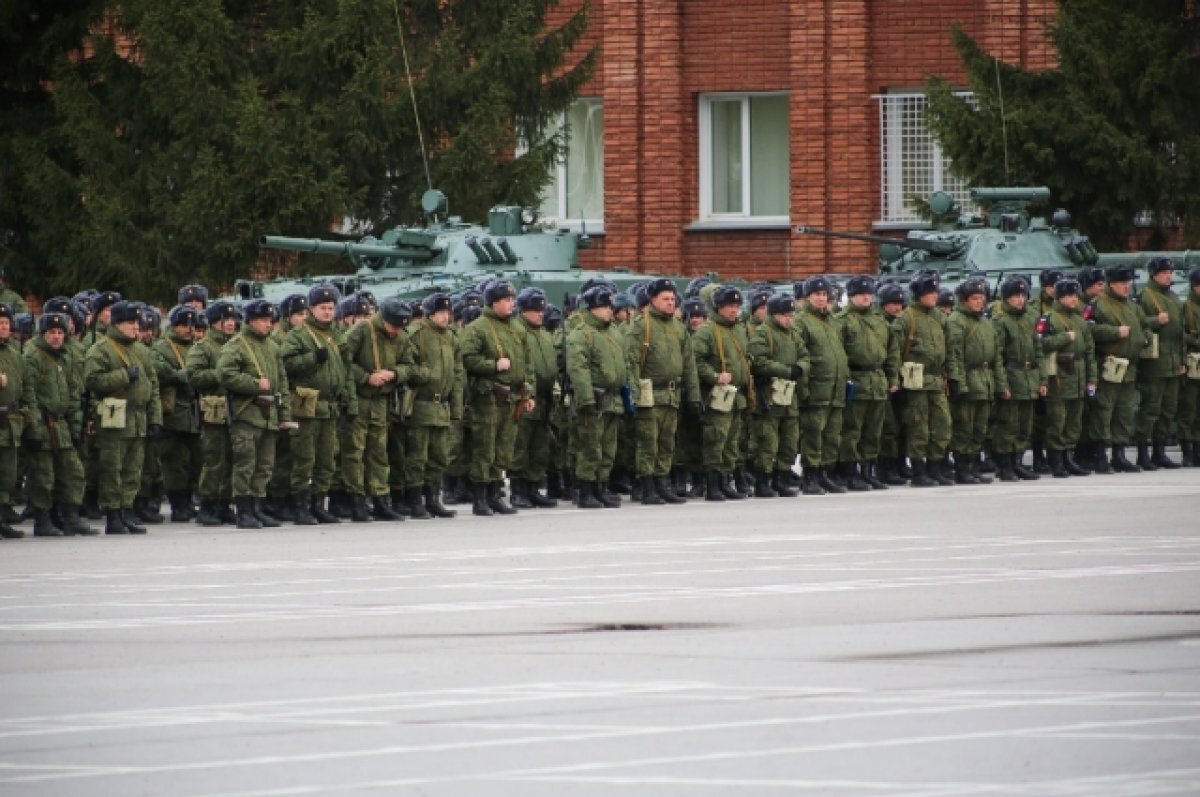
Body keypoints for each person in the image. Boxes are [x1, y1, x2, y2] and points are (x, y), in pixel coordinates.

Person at [83, 300, 162, 534]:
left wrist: (155, 418)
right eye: (131, 323)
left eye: (137, 323)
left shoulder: (142, 352)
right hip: (114, 418)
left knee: (133, 469)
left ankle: (127, 510)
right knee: (112, 468)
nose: (136, 328)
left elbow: (153, 387)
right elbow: (93, 381)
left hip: (138, 418)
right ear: (117, 324)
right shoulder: (101, 349)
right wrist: (123, 376)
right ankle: (113, 514)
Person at [281, 283, 356, 524]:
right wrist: (312, 358)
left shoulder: (336, 334)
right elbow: (286, 365)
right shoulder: (299, 335)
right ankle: (301, 507)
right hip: (307, 404)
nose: (327, 311)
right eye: (322, 307)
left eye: (331, 307)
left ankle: (318, 504)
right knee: (305, 457)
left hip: (330, 405)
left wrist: (349, 400)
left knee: (327, 458)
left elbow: (346, 370)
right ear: (312, 309)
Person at [458, 279, 533, 516]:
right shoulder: (478, 328)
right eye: (506, 300)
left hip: (511, 398)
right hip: (488, 398)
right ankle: (480, 497)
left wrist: (527, 392)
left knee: (503, 449)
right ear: (493, 302)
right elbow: (466, 359)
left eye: (512, 299)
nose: (512, 304)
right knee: (485, 448)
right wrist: (493, 365)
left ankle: (495, 493)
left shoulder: (516, 328)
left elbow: (526, 363)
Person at [218, 299, 291, 529]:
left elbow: (282, 384)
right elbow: (225, 374)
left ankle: (258, 507)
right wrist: (253, 384)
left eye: (270, 320)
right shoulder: (237, 345)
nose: (268, 325)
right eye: (263, 320)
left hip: (268, 413)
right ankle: (244, 511)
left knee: (265, 465)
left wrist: (285, 414)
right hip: (247, 413)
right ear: (250, 321)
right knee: (245, 463)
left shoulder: (273, 348)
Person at [22, 312, 97, 536]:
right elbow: (30, 395)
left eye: (60, 332)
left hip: (61, 424)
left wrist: (75, 427)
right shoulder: (33, 356)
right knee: (43, 475)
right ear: (43, 334)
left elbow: (73, 394)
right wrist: (33, 428)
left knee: (72, 471)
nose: (56, 337)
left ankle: (70, 516)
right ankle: (43, 519)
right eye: (51, 333)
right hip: (43, 424)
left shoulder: (65, 358)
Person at [340, 296, 412, 521]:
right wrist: (366, 377)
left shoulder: (399, 336)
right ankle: (357, 500)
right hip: (360, 399)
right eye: (394, 325)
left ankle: (380, 498)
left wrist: (395, 374)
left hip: (382, 401)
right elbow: (341, 360)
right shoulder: (362, 330)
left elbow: (409, 364)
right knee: (355, 452)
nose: (396, 331)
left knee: (379, 453)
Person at [566, 286, 630, 508]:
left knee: (608, 448)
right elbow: (578, 369)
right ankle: (586, 490)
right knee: (590, 447)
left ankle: (601, 487)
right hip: (595, 398)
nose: (609, 311)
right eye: (603, 306)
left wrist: (629, 394)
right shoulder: (581, 334)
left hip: (613, 398)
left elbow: (625, 364)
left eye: (610, 306)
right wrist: (586, 400)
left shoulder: (614, 332)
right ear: (591, 308)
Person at [888, 273, 953, 487]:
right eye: (929, 293)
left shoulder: (939, 317)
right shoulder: (907, 318)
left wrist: (951, 375)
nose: (934, 296)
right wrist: (894, 378)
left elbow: (950, 347)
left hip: (936, 378)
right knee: (919, 426)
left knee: (942, 424)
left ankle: (935, 468)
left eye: (935, 292)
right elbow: (894, 352)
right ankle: (918, 470)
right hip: (915, 379)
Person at [1086, 265, 1151, 473]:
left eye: (1128, 283)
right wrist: (1114, 332)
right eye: (1122, 284)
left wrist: (1145, 338)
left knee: (1124, 412)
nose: (1126, 287)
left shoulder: (1133, 307)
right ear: (1111, 284)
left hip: (1129, 367)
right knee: (1104, 411)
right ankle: (1100, 455)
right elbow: (1088, 329)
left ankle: (1119, 454)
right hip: (1109, 365)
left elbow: (1144, 325)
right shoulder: (1097, 305)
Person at [403, 293, 462, 519]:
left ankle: (432, 498)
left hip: (442, 407)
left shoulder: (451, 338)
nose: (445, 317)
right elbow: (407, 365)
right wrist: (423, 375)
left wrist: (455, 409)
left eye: (447, 313)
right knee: (418, 457)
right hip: (421, 405)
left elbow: (457, 375)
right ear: (430, 314)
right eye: (440, 313)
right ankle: (415, 501)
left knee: (439, 457)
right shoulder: (416, 335)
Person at [692, 285, 754, 501]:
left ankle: (726, 481)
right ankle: (713, 485)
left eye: (736, 306)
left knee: (731, 442)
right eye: (729, 306)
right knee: (716, 440)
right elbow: (695, 361)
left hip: (736, 395)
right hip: (717, 395)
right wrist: (714, 376)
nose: (733, 310)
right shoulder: (707, 331)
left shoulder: (738, 329)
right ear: (718, 307)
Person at [795, 276, 851, 495]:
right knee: (813, 433)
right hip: (816, 388)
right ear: (808, 297)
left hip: (835, 389)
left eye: (824, 294)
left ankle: (825, 473)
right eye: (817, 295)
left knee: (831, 434)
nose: (821, 299)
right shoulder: (802, 321)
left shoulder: (833, 322)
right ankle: (810, 475)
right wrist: (804, 388)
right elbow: (801, 355)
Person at [748, 294, 808, 497]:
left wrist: (800, 368)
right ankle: (763, 480)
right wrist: (787, 370)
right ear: (773, 315)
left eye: (791, 315)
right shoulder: (762, 335)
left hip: (789, 396)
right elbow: (760, 362)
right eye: (784, 315)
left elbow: (805, 356)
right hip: (770, 396)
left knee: (789, 440)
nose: (788, 319)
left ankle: (781, 477)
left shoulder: (793, 334)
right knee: (768, 441)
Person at [835, 275, 890, 490]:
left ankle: (869, 470)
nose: (866, 297)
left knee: (873, 430)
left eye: (869, 293)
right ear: (851, 296)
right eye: (861, 294)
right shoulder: (843, 321)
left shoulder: (879, 321)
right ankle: (851, 472)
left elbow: (891, 351)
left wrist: (891, 377)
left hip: (877, 381)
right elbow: (840, 354)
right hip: (856, 380)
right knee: (852, 430)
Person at [946, 277, 1002, 484]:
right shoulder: (956, 321)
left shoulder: (986, 323)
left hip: (985, 381)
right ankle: (962, 468)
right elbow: (954, 355)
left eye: (982, 298)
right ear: (964, 300)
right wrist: (958, 382)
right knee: (964, 428)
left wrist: (1000, 384)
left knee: (979, 429)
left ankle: (973, 466)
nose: (980, 302)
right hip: (968, 380)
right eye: (975, 298)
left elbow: (996, 357)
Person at [1039, 278, 1097, 478]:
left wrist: (1092, 379)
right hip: (1059, 378)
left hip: (1078, 376)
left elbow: (1090, 352)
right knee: (1058, 419)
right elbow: (1040, 345)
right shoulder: (1049, 319)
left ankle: (1069, 457)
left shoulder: (1080, 321)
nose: (1073, 299)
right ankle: (1056, 460)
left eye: (1075, 295)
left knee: (1074, 420)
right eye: (1069, 296)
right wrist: (1065, 338)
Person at [188, 301, 239, 526]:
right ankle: (207, 504)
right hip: (214, 409)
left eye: (231, 319)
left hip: (236, 407)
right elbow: (194, 376)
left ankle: (224, 503)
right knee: (214, 459)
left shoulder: (237, 345)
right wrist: (221, 374)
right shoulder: (203, 347)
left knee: (232, 458)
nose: (230, 324)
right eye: (225, 320)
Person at [991, 276, 1047, 481]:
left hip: (1029, 377)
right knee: (1008, 425)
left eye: (1023, 295)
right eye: (1015, 296)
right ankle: (1005, 465)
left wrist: (1042, 380)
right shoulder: (1000, 321)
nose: (1020, 300)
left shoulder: (1030, 318)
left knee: (1025, 425)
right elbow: (997, 356)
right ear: (1006, 298)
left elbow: (1038, 351)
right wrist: (1002, 384)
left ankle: (1018, 462)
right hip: (1012, 376)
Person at [509, 288, 559, 509]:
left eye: (542, 310)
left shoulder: (544, 335)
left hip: (545, 398)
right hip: (526, 397)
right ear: (523, 310)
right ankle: (518, 490)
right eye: (535, 310)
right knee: (521, 446)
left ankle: (533, 487)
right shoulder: (516, 332)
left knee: (540, 447)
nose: (541, 314)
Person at [151, 305, 202, 521]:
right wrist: (174, 375)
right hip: (174, 413)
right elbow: (156, 367)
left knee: (195, 461)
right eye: (183, 325)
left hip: (194, 411)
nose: (188, 329)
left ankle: (189, 500)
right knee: (175, 463)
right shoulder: (163, 346)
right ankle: (178, 504)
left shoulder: (197, 346)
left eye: (191, 325)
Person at [1134, 257, 1186, 469]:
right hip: (1154, 362)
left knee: (1168, 410)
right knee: (1150, 408)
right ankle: (1143, 452)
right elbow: (1138, 325)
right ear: (1154, 274)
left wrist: (1182, 360)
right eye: (1164, 272)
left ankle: (1159, 450)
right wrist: (1156, 321)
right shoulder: (1146, 296)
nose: (1168, 276)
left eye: (1170, 272)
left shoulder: (1173, 297)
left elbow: (1180, 333)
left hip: (1173, 362)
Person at [1179, 267, 1200, 467]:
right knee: (1189, 408)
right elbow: (1180, 335)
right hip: (1192, 362)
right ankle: (1188, 450)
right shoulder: (1186, 308)